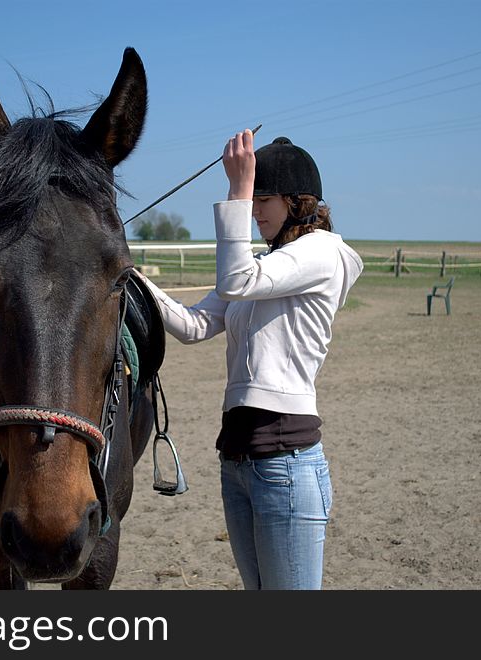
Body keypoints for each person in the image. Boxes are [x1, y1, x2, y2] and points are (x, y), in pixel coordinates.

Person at [136, 131, 363, 589]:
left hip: (285, 458)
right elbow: (193, 325)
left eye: (264, 199)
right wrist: (127, 274)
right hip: (236, 459)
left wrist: (236, 188)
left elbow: (237, 280)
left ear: (298, 202)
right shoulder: (267, 265)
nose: (254, 210)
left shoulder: (323, 253)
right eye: (251, 199)